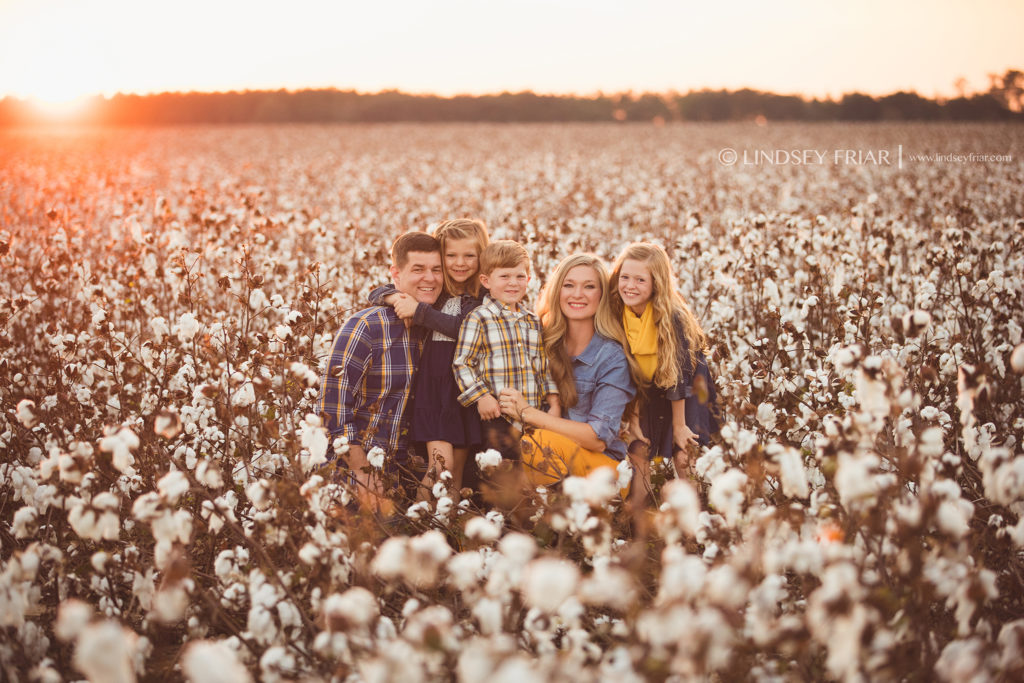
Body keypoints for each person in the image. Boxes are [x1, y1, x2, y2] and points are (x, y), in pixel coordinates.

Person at [317, 231, 442, 509]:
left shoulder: (441, 326)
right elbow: (331, 409)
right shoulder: (367, 326)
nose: (430, 278)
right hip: (352, 474)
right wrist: (363, 474)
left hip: (411, 478)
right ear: (395, 274)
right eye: (418, 269)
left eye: (437, 270)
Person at [368, 219, 490, 495]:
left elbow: (464, 328)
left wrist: (420, 313)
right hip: (435, 393)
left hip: (464, 394)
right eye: (451, 256)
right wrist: (395, 299)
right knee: (441, 468)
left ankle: (446, 531)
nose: (460, 263)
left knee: (456, 472)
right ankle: (417, 524)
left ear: (481, 257)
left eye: (469, 255)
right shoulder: (437, 291)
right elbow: (376, 291)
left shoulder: (481, 297)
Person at [497, 254, 636, 489]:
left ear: (602, 295)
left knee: (540, 442)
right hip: (544, 463)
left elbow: (597, 438)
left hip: (601, 474)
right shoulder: (540, 341)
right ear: (557, 291)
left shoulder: (612, 357)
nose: (577, 294)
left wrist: (528, 413)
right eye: (569, 285)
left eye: (589, 286)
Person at [608, 242, 720, 480]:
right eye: (625, 277)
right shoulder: (617, 313)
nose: (629, 286)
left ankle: (696, 509)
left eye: (640, 280)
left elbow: (677, 376)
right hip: (646, 387)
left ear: (656, 283)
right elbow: (628, 372)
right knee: (638, 449)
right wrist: (634, 420)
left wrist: (679, 426)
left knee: (684, 453)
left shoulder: (672, 317)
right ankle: (640, 512)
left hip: (686, 386)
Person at [453, 240, 560, 460]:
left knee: (533, 471)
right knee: (500, 476)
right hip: (498, 417)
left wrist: (553, 403)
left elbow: (543, 366)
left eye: (520, 276)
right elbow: (462, 363)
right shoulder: (480, 317)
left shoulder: (533, 321)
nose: (513, 283)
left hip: (533, 415)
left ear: (528, 280)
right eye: (505, 276)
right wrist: (481, 397)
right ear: (486, 281)